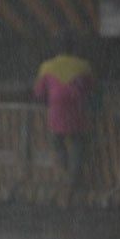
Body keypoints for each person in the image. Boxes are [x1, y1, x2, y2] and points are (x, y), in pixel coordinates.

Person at [33, 37, 96, 190]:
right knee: (77, 141)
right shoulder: (84, 66)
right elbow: (91, 89)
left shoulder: (46, 67)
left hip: (56, 110)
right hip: (77, 109)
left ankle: (64, 171)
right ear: (74, 48)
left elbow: (39, 92)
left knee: (57, 140)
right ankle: (74, 177)